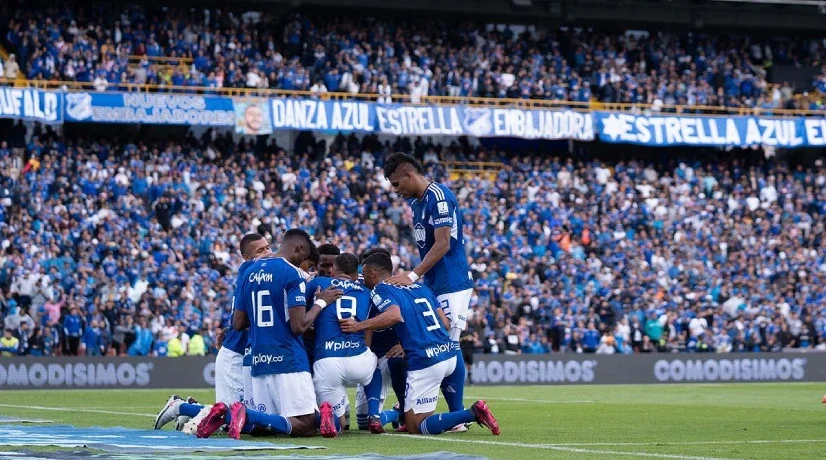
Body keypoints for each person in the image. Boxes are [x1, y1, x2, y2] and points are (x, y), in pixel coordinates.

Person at [197, 229, 342, 439]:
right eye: (305, 257)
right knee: (308, 425)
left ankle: (235, 416)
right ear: (299, 248)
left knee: (267, 428)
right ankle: (246, 415)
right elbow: (298, 326)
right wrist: (321, 302)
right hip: (288, 358)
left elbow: (238, 323)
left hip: (258, 359)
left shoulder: (249, 271)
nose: (304, 262)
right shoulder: (291, 273)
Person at [340, 252, 499, 436]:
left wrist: (358, 325)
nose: (363, 278)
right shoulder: (419, 287)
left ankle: (472, 413)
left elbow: (394, 315)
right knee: (411, 412)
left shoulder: (380, 289)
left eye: (364, 273)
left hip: (426, 359)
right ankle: (406, 410)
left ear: (372, 273)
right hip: (448, 353)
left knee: (416, 426)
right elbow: (446, 324)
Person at [382, 152, 474, 429]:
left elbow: (443, 244)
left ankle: (457, 414)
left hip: (452, 281)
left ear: (410, 175)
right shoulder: (417, 202)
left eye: (397, 184)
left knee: (449, 342)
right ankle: (424, 405)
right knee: (439, 342)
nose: (396, 191)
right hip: (435, 281)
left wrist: (412, 275)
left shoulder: (439, 196)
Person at [154, 233, 270, 431]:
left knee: (247, 418)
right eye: (261, 250)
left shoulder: (260, 273)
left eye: (268, 247)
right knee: (233, 418)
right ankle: (179, 407)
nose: (267, 253)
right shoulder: (250, 270)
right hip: (236, 355)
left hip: (248, 354)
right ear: (246, 257)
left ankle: (188, 409)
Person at [307, 253, 391, 433]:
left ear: (334, 270)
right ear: (356, 274)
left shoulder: (318, 283)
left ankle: (330, 419)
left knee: (340, 425)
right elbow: (379, 319)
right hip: (358, 359)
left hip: (327, 361)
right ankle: (374, 415)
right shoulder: (367, 292)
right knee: (374, 363)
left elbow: (300, 314)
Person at [355, 247, 408, 432]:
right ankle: (395, 413)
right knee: (362, 423)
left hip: (392, 353)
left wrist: (404, 344)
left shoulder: (400, 287)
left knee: (398, 361)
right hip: (371, 355)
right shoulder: (360, 289)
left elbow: (413, 319)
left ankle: (402, 409)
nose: (363, 277)